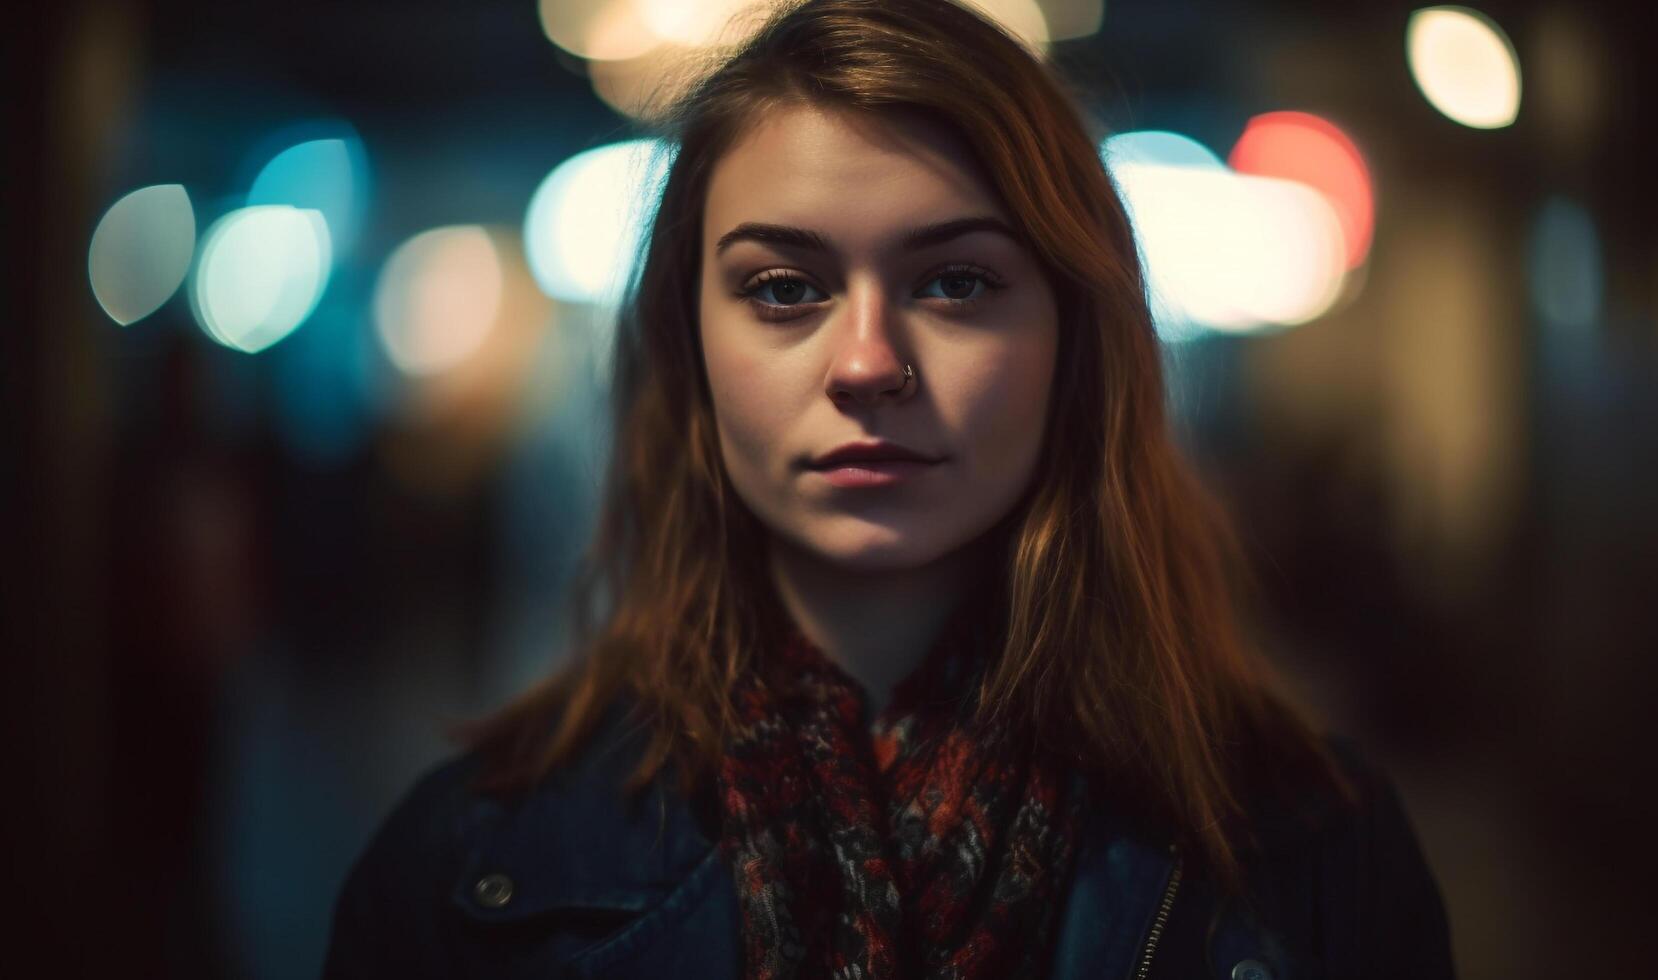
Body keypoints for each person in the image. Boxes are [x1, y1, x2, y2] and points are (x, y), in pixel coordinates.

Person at [323, 1, 1455, 977]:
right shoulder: (466, 868)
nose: (865, 361)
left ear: (1074, 341)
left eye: (956, 280)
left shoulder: (1312, 851)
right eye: (780, 288)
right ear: (688, 344)